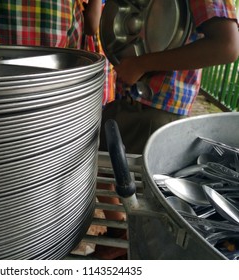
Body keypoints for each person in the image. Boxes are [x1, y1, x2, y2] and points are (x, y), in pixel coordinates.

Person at [96, 0, 239, 260]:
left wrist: (142, 64)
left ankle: (132, 247)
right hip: (129, 101)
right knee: (102, 170)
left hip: (156, 110)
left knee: (147, 207)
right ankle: (120, 236)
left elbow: (227, 46)